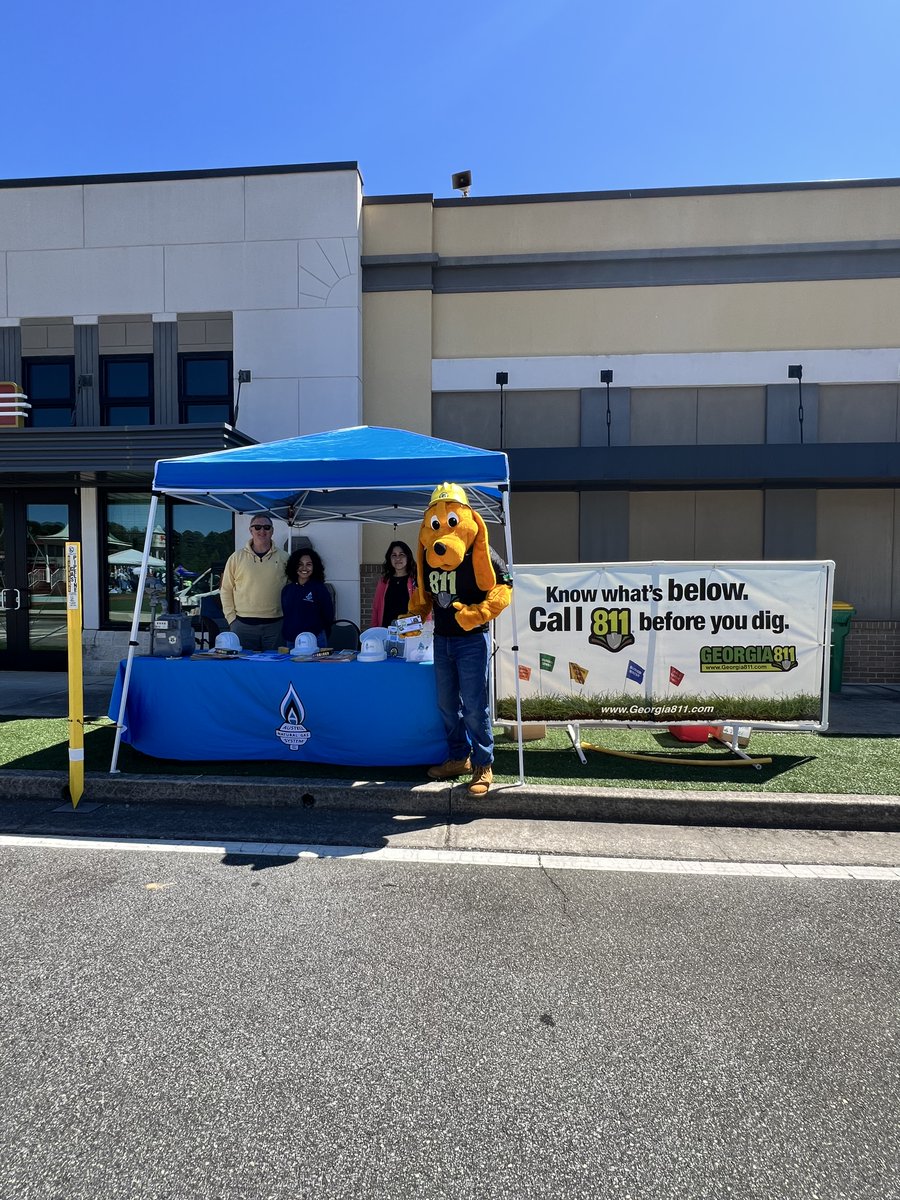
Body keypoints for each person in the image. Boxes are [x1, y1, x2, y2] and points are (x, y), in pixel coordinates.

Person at [408, 483, 512, 797]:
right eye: (435, 521)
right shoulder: (428, 553)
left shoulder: (480, 550)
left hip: (472, 641)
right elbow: (425, 594)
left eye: (451, 519)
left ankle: (483, 764)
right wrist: (414, 614)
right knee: (446, 705)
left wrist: (479, 613)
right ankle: (459, 757)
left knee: (475, 706)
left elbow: (504, 586)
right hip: (442, 640)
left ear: (466, 517)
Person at [219, 515, 288, 651]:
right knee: (243, 663)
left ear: (272, 531)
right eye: (257, 527)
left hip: (275, 626)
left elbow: (291, 589)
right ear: (251, 530)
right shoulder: (236, 558)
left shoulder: (285, 558)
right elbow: (226, 589)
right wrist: (231, 619)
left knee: (275, 663)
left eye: (266, 527)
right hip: (242, 626)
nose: (262, 531)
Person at [282, 548, 334, 646]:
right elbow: (286, 615)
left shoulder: (320, 589)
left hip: (315, 640)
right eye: (300, 564)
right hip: (292, 641)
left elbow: (328, 616)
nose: (304, 568)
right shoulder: (287, 590)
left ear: (315, 567)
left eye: (309, 564)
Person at [370, 540, 417, 628]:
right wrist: (374, 630)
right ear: (390, 559)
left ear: (408, 557)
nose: (397, 558)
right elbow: (376, 608)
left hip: (409, 631)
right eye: (394, 555)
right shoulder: (383, 581)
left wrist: (426, 630)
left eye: (401, 555)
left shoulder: (415, 581)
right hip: (386, 630)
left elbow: (424, 607)